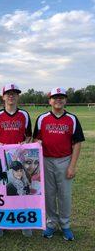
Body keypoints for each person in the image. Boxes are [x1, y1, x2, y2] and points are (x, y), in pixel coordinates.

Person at [33, 87, 85, 241]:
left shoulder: (72, 119)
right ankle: (51, 224)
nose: (58, 100)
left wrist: (72, 166)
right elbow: (36, 139)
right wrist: (38, 142)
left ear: (65, 100)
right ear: (50, 101)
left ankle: (65, 225)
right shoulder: (42, 119)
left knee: (64, 195)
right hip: (46, 160)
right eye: (55, 97)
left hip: (64, 160)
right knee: (49, 195)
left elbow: (77, 144)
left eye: (61, 97)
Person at [0, 83, 33, 237]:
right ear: (3, 97)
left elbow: (29, 135)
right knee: (2, 190)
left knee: (21, 189)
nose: (11, 96)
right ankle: (1, 223)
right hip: (2, 159)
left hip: (19, 159)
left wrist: (26, 142)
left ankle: (24, 222)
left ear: (17, 96)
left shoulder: (24, 115)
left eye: (14, 93)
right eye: (8, 93)